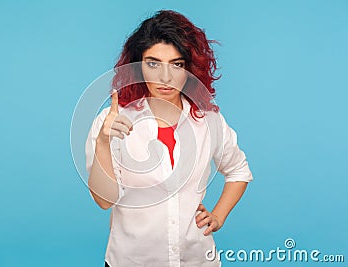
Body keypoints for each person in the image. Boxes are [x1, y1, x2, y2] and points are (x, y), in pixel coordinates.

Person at [85, 10, 253, 267]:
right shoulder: (111, 123)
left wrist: (218, 216)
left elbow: (238, 170)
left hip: (197, 260)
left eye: (176, 64)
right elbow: (103, 201)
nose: (165, 78)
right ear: (138, 65)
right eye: (153, 63)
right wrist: (103, 142)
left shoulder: (209, 120)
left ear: (189, 68)